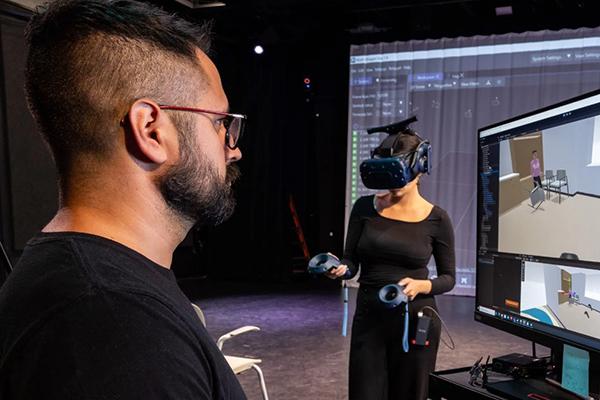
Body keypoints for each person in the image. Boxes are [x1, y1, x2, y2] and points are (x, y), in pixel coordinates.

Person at [0, 0, 247, 398]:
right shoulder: (118, 327)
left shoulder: (95, 295)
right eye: (220, 123)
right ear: (151, 130)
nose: (233, 149)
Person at [327, 132, 455, 400]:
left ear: (419, 167)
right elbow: (351, 262)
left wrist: (422, 285)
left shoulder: (437, 218)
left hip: (416, 318)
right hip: (370, 317)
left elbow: (448, 277)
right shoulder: (364, 208)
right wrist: (341, 268)